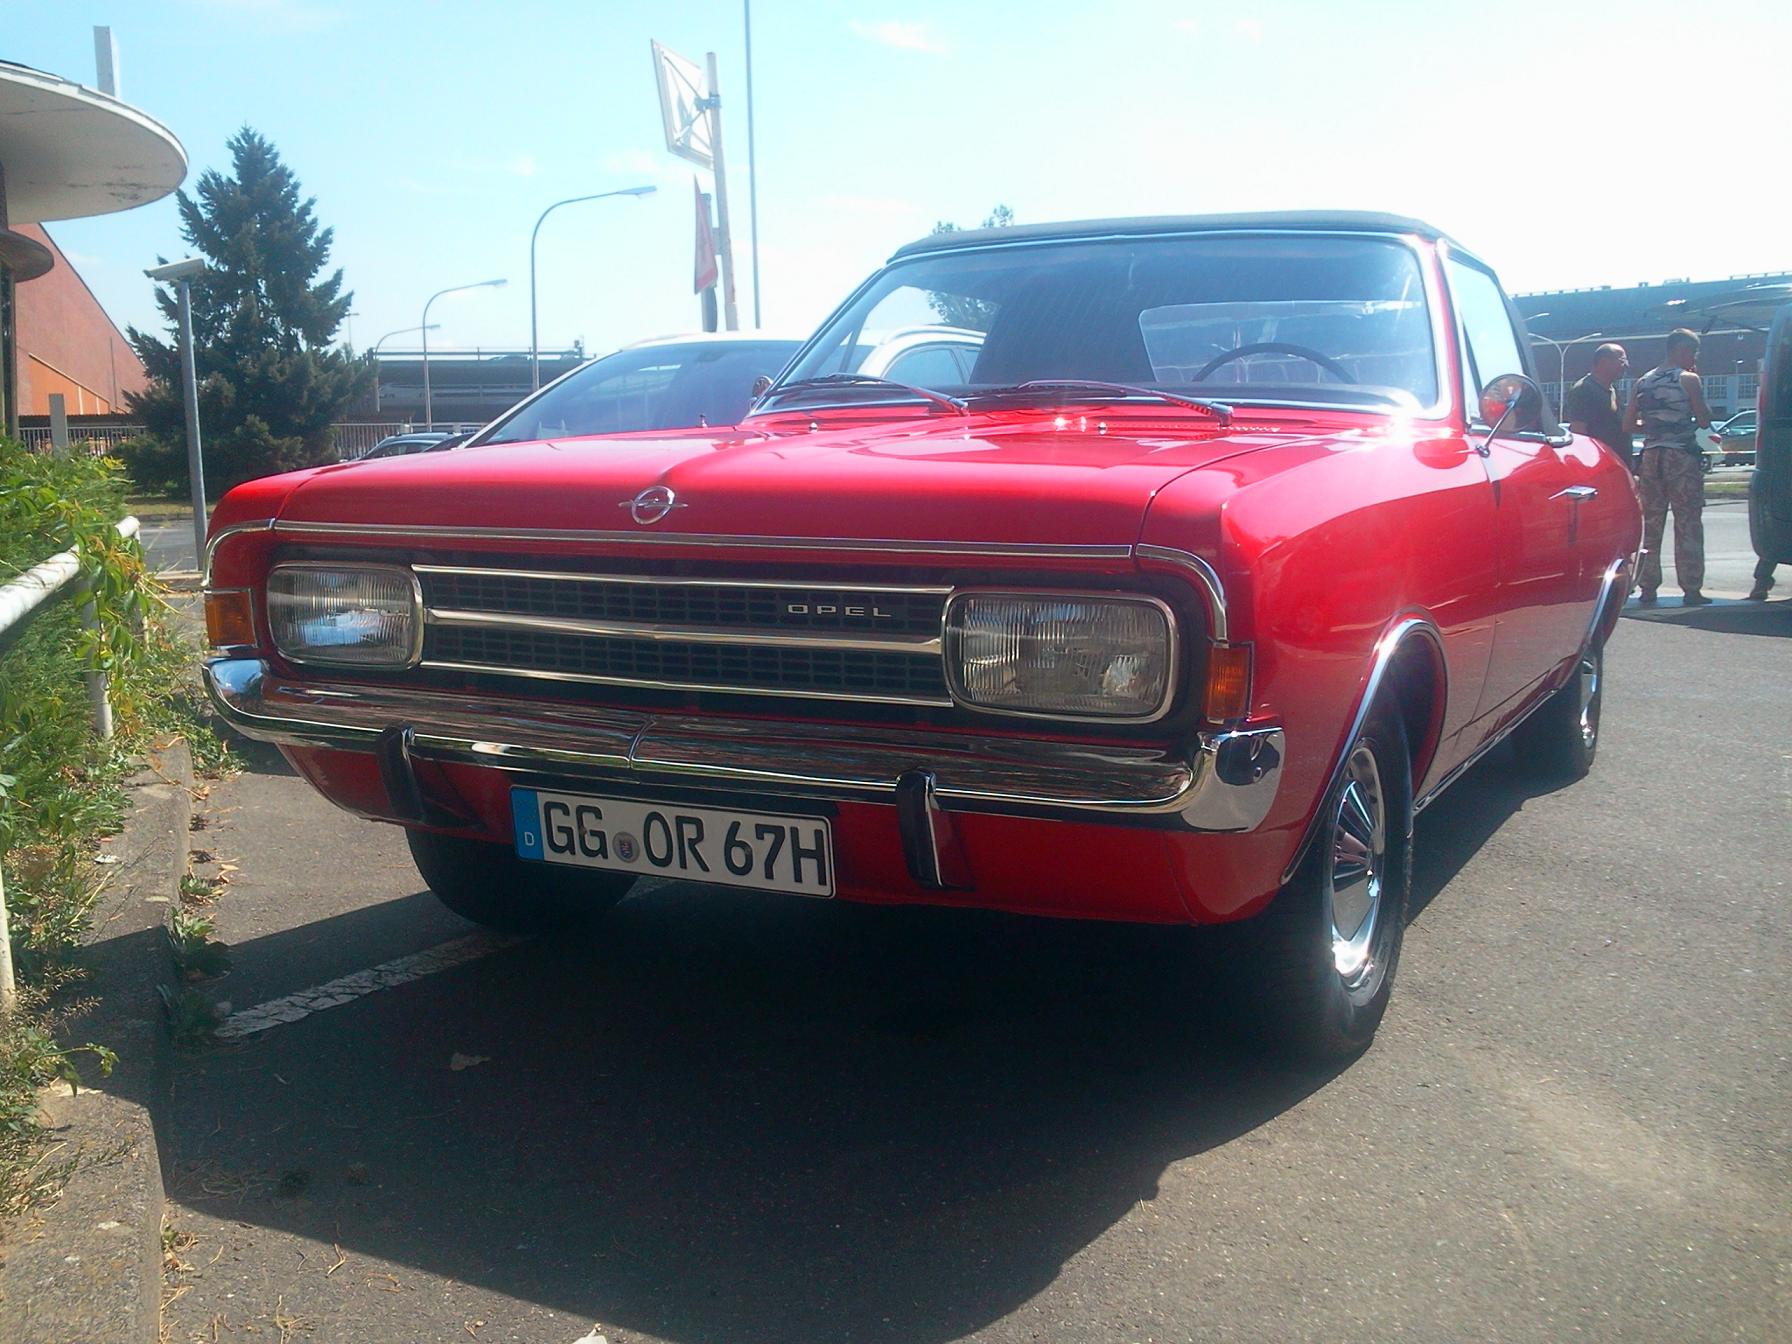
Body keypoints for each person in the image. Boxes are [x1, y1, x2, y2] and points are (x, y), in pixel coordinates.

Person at [1627, 329, 1717, 606]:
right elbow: (1704, 420)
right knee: (1688, 521)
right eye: (1693, 352)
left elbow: (1628, 425)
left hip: (1651, 457)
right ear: (1683, 350)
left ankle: (1647, 586)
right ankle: (1691, 588)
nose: (1694, 358)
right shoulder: (1688, 379)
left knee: (1651, 523)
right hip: (1680, 457)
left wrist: (1654, 426)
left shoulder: (1643, 381)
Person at [1564, 343, 1633, 469]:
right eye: (1622, 361)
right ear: (1603, 362)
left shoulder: (1613, 389)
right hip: (1599, 466)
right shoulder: (1584, 389)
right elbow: (1579, 432)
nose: (1626, 365)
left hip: (1619, 465)